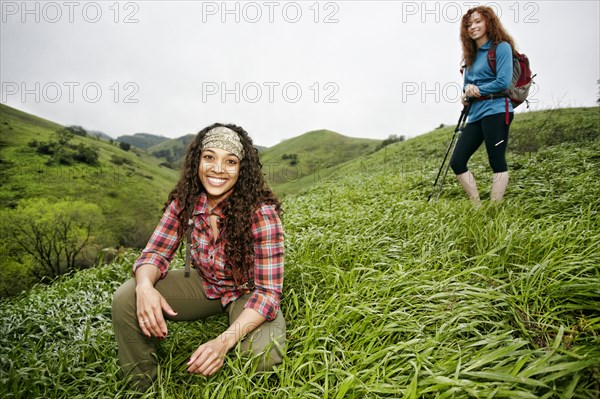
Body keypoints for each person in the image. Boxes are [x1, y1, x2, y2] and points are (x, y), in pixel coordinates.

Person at [111, 123, 286, 391]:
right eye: (209, 157)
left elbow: (267, 294)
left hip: (247, 295)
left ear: (242, 169)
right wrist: (145, 286)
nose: (218, 169)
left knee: (264, 356)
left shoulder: (261, 214)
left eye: (230, 161)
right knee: (127, 296)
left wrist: (222, 342)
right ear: (198, 161)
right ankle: (142, 388)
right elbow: (155, 252)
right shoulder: (186, 201)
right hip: (205, 285)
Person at [450, 6, 517, 204]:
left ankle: (494, 210)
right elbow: (467, 89)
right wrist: (465, 96)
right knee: (457, 161)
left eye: (478, 21)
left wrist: (476, 90)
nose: (473, 27)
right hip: (476, 114)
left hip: (497, 110)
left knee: (496, 161)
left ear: (488, 22)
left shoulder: (501, 47)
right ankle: (477, 206)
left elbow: (503, 82)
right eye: (469, 25)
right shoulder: (470, 56)